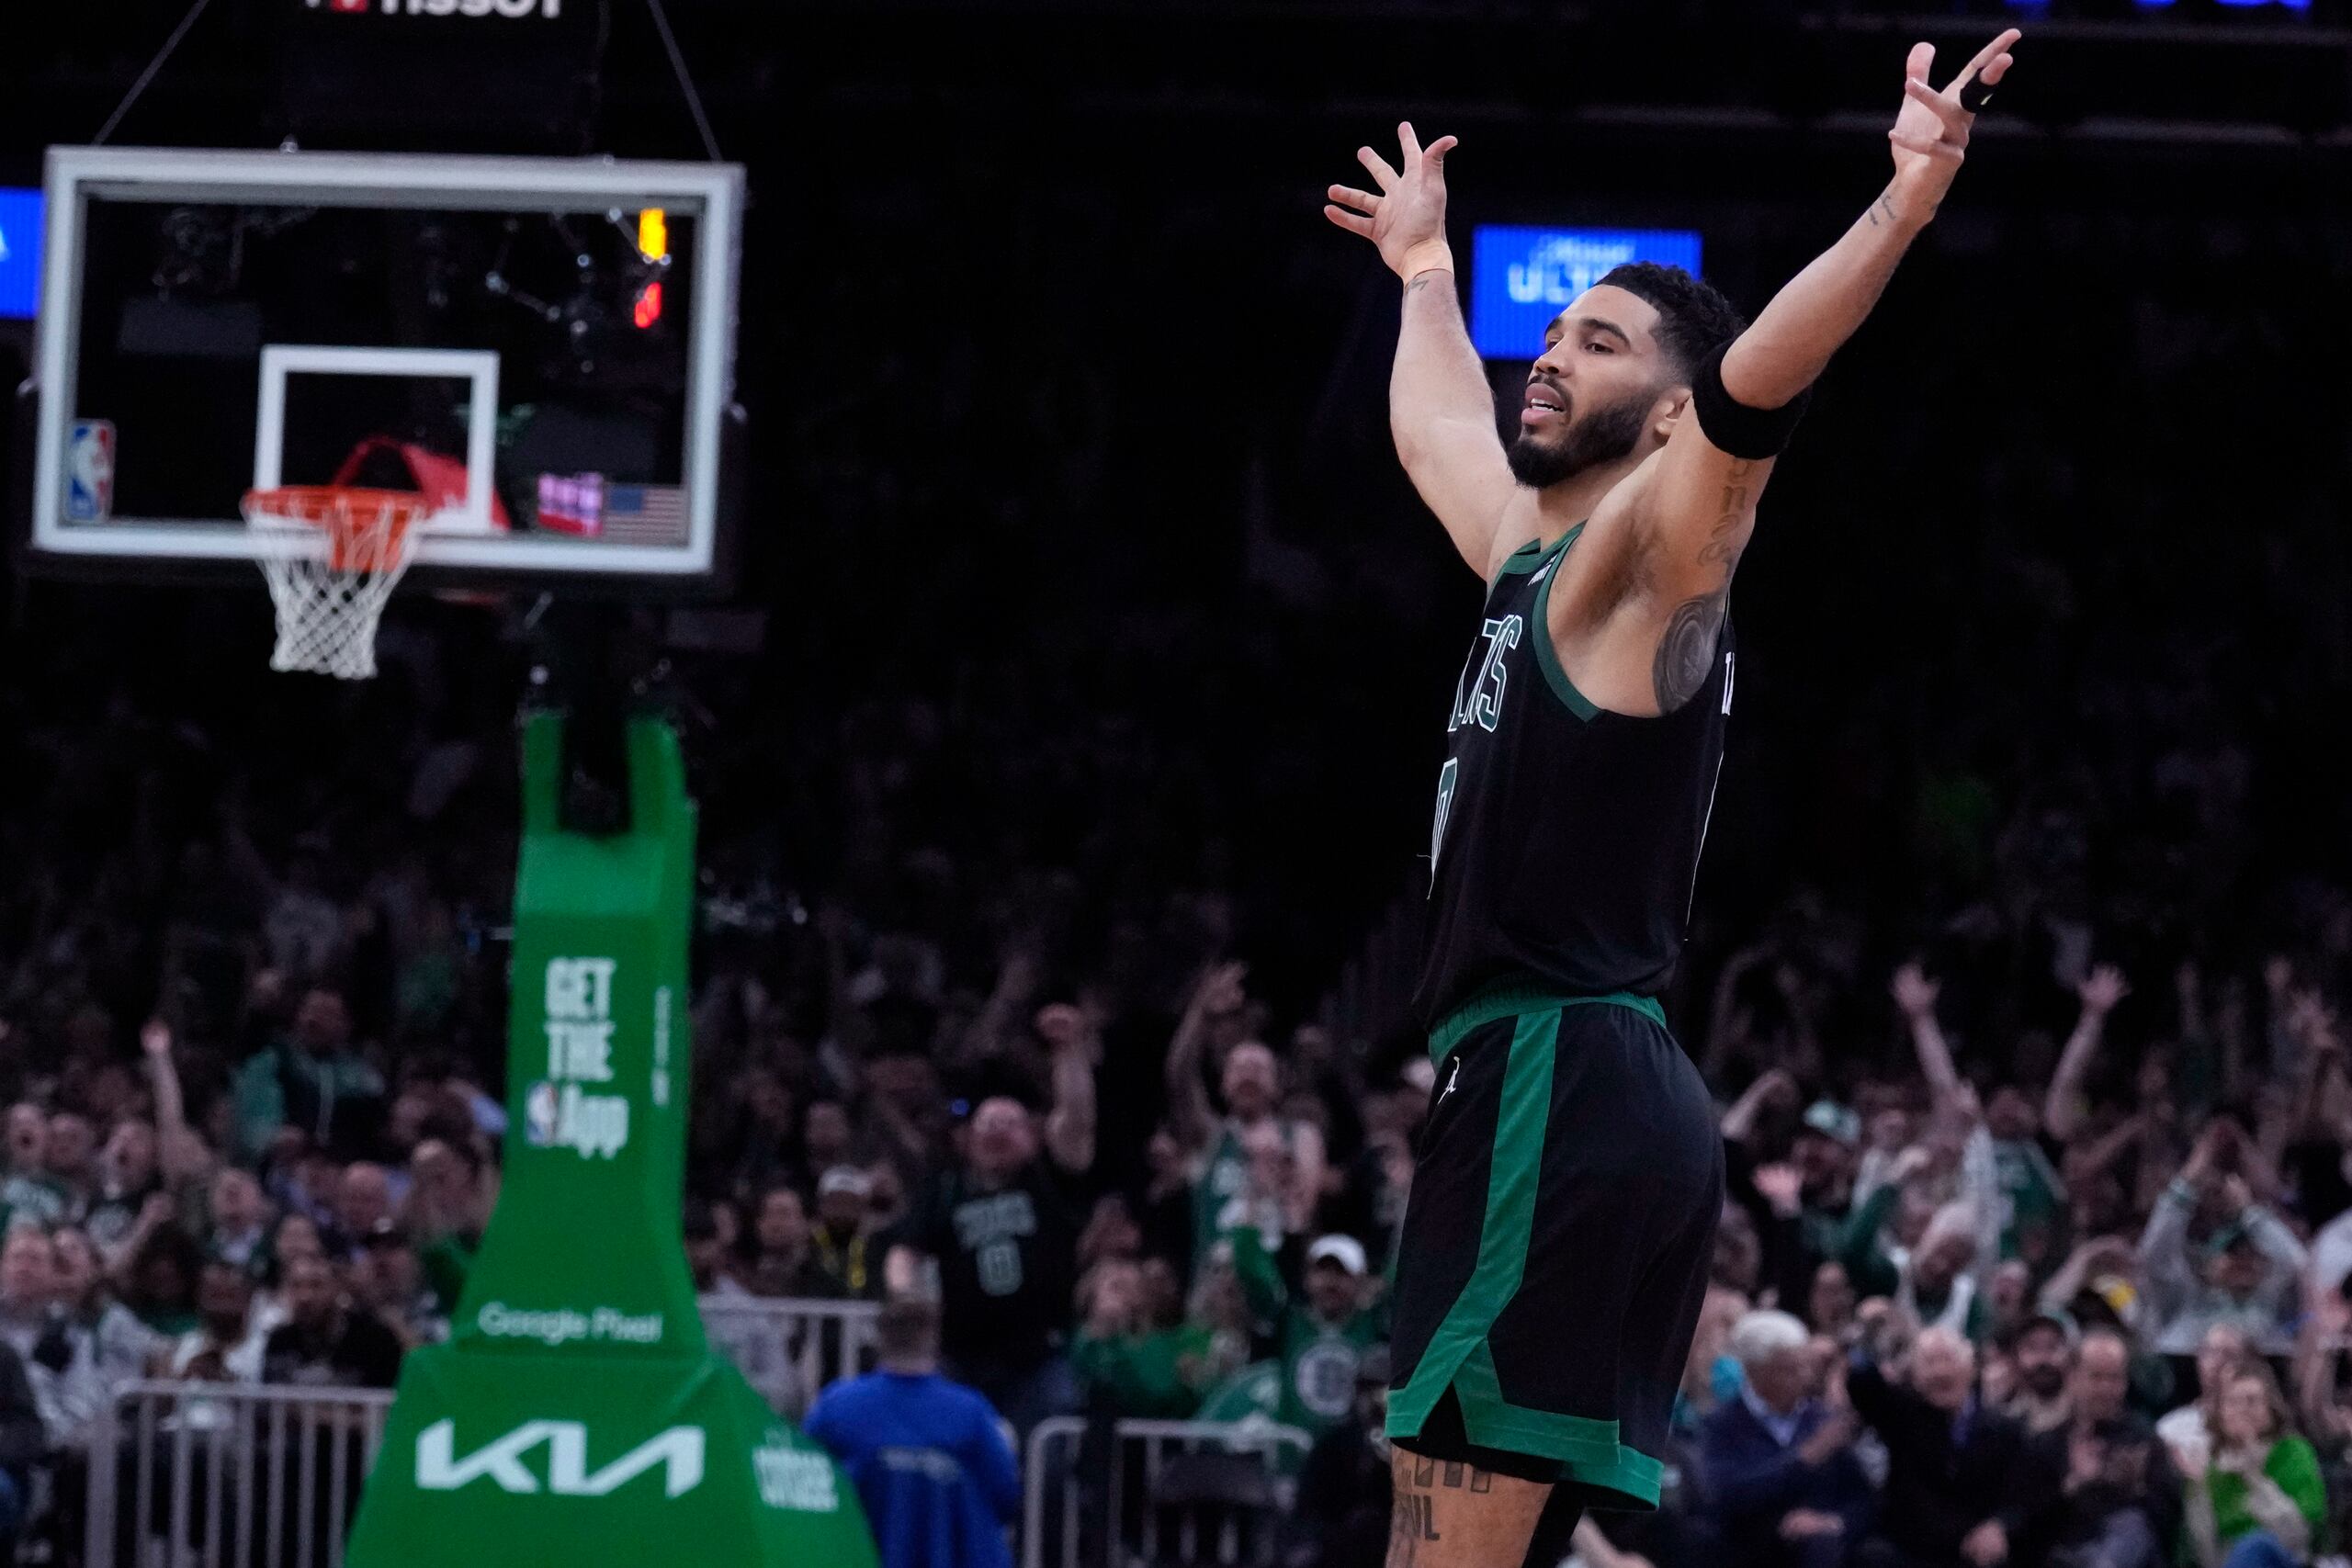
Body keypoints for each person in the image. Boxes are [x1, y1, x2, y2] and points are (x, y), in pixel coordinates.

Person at [1319, 26, 2021, 1563]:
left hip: (1554, 1082)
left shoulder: (1657, 546)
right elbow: (1433, 427)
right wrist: (1427, 276)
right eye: (1555, 332)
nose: (1557, 353)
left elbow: (1762, 378)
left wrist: (1902, 202)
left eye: (1603, 341)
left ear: (1665, 416)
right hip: (1575, 1088)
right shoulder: (1533, 556)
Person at [887, 1014, 1095, 1442]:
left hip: (1038, 1356)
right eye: (988, 1124)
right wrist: (906, 1292)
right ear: (968, 1138)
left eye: (1010, 1124)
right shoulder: (945, 1190)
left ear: (1033, 1137)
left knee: (1048, 1454)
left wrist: (1069, 1054)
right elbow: (905, 1252)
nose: (998, 1132)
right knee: (940, 1445)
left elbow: (1076, 1121)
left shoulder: (1047, 1181)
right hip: (961, 1354)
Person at [803, 1297, 1020, 1568]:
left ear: (880, 1337)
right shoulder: (971, 1413)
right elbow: (1005, 1494)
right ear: (934, 1337)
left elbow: (806, 1483)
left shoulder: (837, 1406)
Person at [1846, 1322, 2032, 1568]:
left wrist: (1998, 1525)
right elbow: (1861, 1382)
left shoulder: (2006, 1428)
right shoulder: (1902, 1416)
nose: (1939, 1372)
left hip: (1975, 1552)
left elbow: (2021, 1497)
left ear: (1972, 1368)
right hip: (1914, 1552)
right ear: (1913, 1374)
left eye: (1948, 1360)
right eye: (1929, 1363)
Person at [1698, 1311, 1872, 1568]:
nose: (1805, 1377)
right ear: (1755, 1373)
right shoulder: (1723, 1424)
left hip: (1825, 1547)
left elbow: (1864, 1497)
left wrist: (1834, 1521)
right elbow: (1724, 1495)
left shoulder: (1821, 1419)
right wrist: (1802, 1461)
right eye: (1789, 1370)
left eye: (1805, 1366)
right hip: (1750, 1547)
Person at [2013, 1328, 2182, 1568]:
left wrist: (2127, 1485)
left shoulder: (2143, 1440)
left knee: (2131, 1523)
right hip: (2064, 1555)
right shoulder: (2047, 1444)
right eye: (2096, 1377)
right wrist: (2073, 1486)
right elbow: (2027, 1529)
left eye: (2114, 1378)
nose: (2105, 1389)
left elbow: (2167, 1520)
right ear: (2072, 1377)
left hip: (2133, 1554)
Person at [1231, 1230, 1387, 1441]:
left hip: (1353, 1462)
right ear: (1307, 1278)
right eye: (1322, 1271)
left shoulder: (1375, 1326)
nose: (1330, 1282)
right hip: (1294, 1459)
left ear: (1361, 1280)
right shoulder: (1288, 1323)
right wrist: (1247, 1228)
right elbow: (1255, 1280)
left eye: (1341, 1273)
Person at [2183, 1361, 2325, 1568]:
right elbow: (2207, 1556)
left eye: (2252, 1401)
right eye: (2233, 1402)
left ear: (2270, 1408)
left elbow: (2297, 1539)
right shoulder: (2212, 1468)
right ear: (2221, 1412)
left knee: (2255, 1544)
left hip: (2284, 1558)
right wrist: (2198, 1488)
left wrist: (2253, 1476)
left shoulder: (2294, 1452)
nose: (2242, 1411)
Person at [260, 1255, 403, 1388]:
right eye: (296, 1286)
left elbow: (388, 1406)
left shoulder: (375, 1340)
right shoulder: (279, 1341)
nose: (305, 1297)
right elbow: (270, 1406)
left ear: (337, 1288)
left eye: (316, 1285)